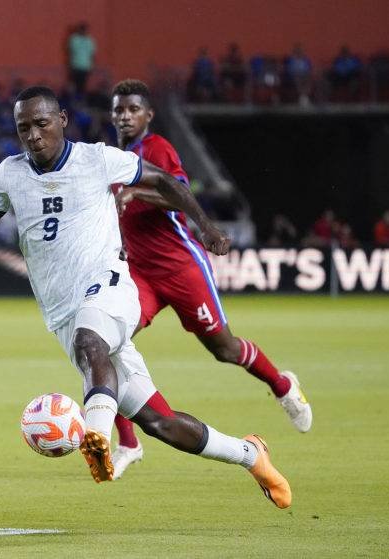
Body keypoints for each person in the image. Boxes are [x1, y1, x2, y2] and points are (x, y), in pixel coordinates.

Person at [0, 85, 292, 508]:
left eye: (41, 123)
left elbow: (166, 182)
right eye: (24, 128)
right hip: (61, 312)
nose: (34, 135)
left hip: (110, 284)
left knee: (90, 340)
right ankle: (250, 454)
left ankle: (95, 432)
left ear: (61, 120)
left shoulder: (97, 159)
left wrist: (204, 225)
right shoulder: (9, 173)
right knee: (159, 422)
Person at [108, 79, 311, 479]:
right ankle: (129, 442)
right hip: (141, 273)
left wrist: (139, 194)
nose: (125, 116)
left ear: (148, 115)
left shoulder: (157, 149)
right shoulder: (113, 158)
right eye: (119, 110)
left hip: (181, 267)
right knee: (109, 340)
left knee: (225, 349)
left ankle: (283, 386)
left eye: (133, 109)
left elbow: (180, 194)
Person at [67, 23, 95, 96]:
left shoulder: (89, 40)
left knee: (83, 85)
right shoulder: (74, 39)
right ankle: (75, 100)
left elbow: (92, 54)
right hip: (75, 65)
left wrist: (92, 65)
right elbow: (71, 52)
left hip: (85, 66)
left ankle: (81, 99)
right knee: (74, 85)